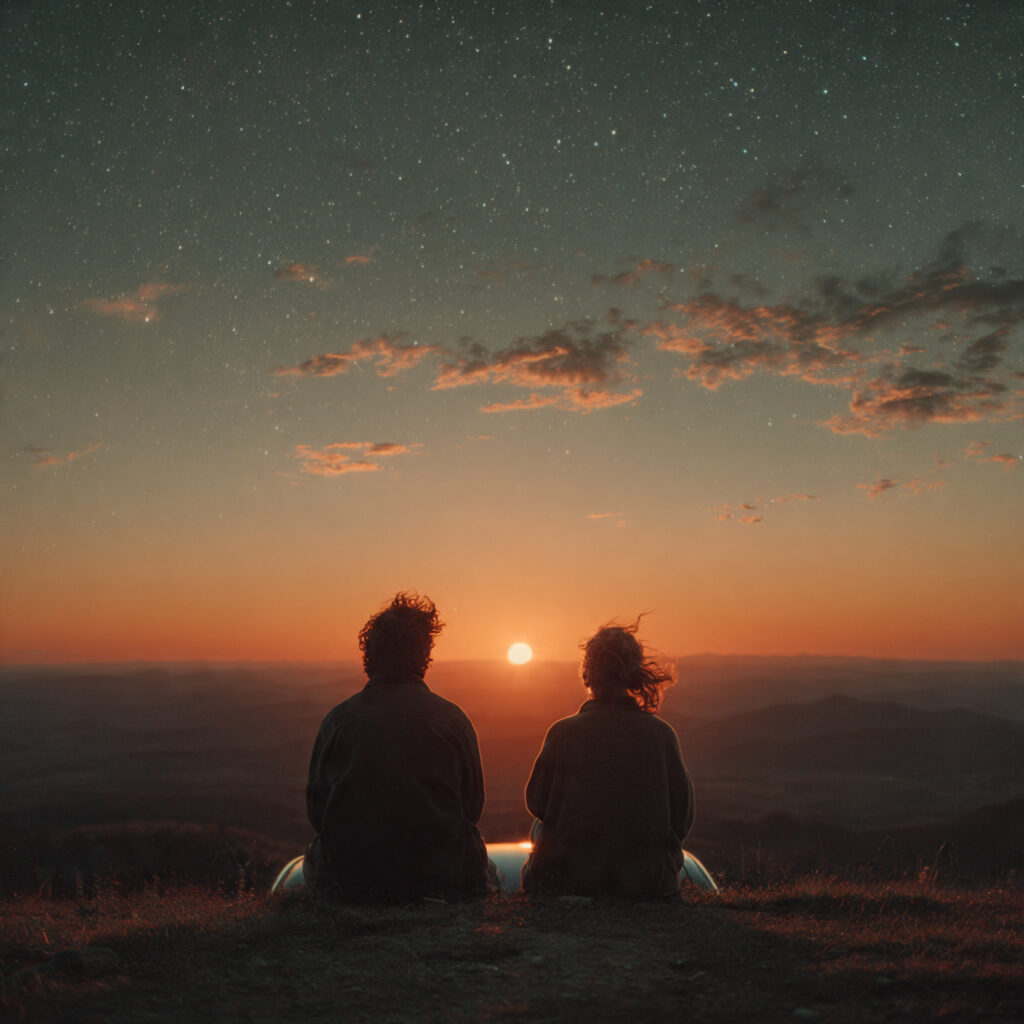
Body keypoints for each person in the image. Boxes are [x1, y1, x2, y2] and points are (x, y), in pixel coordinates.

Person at [304, 592, 489, 901]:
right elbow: (472, 807)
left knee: (310, 858)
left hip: (351, 882)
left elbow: (317, 811)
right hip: (439, 880)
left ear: (369, 655)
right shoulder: (452, 720)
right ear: (424, 655)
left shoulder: (338, 721)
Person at [522, 621, 695, 898]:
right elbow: (681, 817)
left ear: (587, 674)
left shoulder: (562, 733)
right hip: (647, 883)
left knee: (538, 827)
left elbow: (536, 802)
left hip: (570, 880)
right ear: (633, 674)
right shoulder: (662, 736)